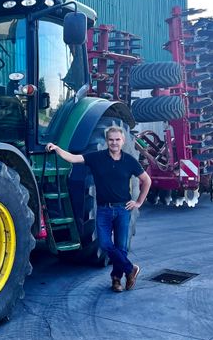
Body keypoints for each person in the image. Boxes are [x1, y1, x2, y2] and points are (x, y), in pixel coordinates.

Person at [46, 125, 152, 293]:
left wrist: (138, 202)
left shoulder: (129, 161)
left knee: (121, 247)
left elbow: (146, 181)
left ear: (123, 141)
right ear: (106, 141)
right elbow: (74, 158)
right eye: (111, 140)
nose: (114, 143)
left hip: (123, 209)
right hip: (103, 210)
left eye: (118, 140)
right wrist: (57, 149)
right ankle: (130, 269)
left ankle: (116, 279)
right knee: (105, 243)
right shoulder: (97, 158)